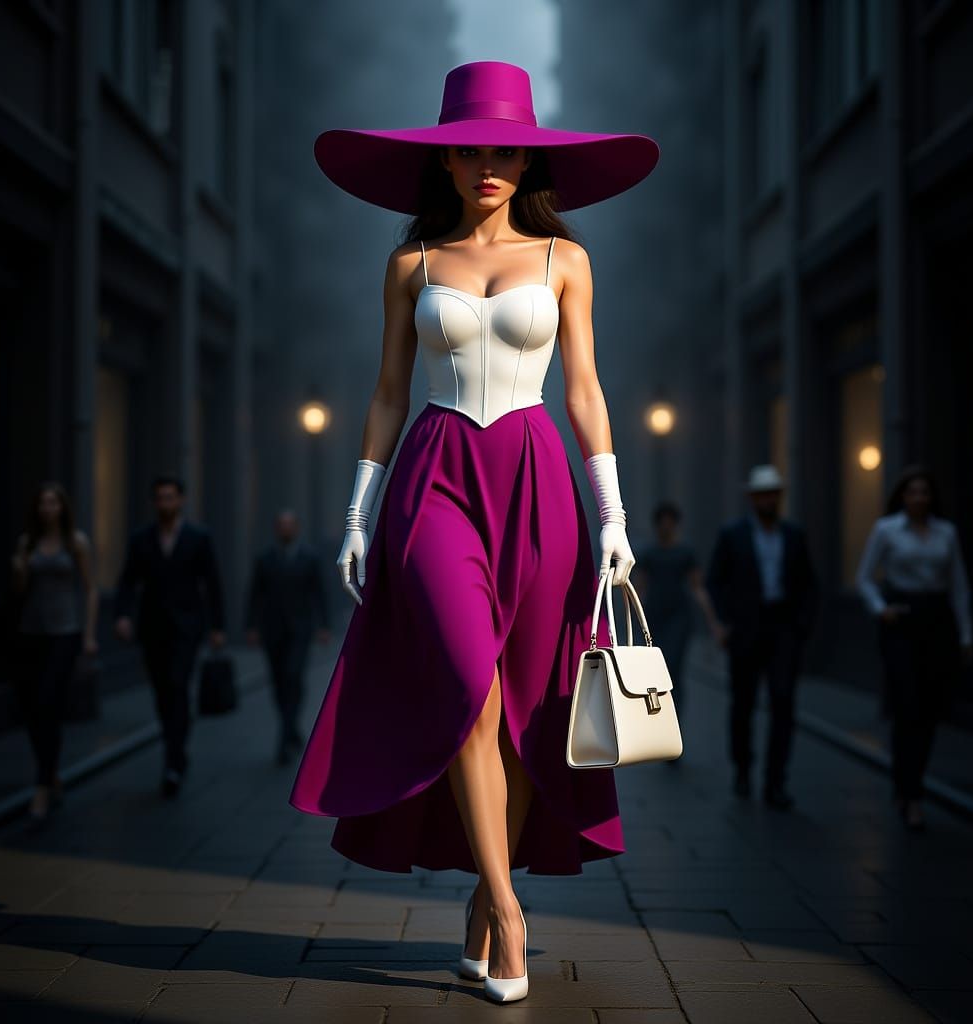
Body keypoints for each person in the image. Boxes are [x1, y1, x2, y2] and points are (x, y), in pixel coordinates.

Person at [289, 61, 659, 1003]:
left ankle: (481, 912)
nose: (488, 162)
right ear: (444, 160)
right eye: (469, 147)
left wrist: (613, 514)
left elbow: (583, 391)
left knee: (531, 702)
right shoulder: (410, 264)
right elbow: (384, 393)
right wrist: (356, 513)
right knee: (467, 682)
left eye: (505, 148)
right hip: (435, 478)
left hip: (540, 481)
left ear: (526, 158)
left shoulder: (565, 260)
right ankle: (507, 907)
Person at [855, 464, 973, 831]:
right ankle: (909, 791)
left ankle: (911, 783)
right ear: (902, 496)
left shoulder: (947, 533)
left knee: (929, 709)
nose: (919, 498)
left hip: (936, 622)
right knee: (907, 705)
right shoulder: (886, 529)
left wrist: (966, 635)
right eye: (913, 491)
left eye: (925, 492)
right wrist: (881, 609)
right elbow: (864, 578)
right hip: (901, 621)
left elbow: (958, 586)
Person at [705, 464, 819, 810]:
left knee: (783, 703)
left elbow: (808, 583)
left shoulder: (794, 534)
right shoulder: (733, 534)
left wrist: (802, 626)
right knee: (743, 703)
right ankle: (743, 767)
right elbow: (714, 581)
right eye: (762, 494)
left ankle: (775, 782)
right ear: (752, 498)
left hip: (783, 629)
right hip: (746, 629)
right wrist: (724, 623)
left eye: (773, 493)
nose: (768, 499)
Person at [114, 475, 226, 798]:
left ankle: (173, 760)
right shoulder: (141, 539)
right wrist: (122, 615)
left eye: (170, 497)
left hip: (187, 628)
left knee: (178, 685)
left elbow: (213, 584)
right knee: (163, 692)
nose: (165, 503)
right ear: (154, 502)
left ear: (181, 500)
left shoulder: (198, 538)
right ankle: (174, 746)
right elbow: (127, 580)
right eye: (159, 498)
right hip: (152, 629)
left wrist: (218, 627)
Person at [10, 482, 98, 822]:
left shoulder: (76, 541)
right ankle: (52, 775)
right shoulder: (26, 543)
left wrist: (90, 635)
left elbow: (90, 590)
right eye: (43, 503)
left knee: (49, 703)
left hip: (65, 632)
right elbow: (18, 592)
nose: (49, 508)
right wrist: (18, 571)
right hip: (31, 633)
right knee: (32, 711)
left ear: (63, 507)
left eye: (54, 503)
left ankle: (41, 788)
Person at [245, 509, 333, 764]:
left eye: (289, 525)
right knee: (278, 682)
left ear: (297, 528)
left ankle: (283, 740)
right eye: (281, 525)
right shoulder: (265, 559)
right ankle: (292, 727)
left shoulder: (310, 558)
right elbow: (255, 594)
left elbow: (320, 593)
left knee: (293, 675)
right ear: (276, 529)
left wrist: (324, 625)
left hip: (300, 629)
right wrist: (251, 626)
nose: (285, 530)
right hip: (272, 630)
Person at [633, 500, 720, 726]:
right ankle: (660, 720)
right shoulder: (649, 553)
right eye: (662, 523)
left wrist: (713, 624)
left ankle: (674, 722)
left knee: (674, 668)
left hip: (679, 618)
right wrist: (633, 619)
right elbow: (639, 589)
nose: (666, 527)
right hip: (654, 618)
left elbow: (698, 588)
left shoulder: (685, 552)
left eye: (670, 523)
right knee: (656, 671)